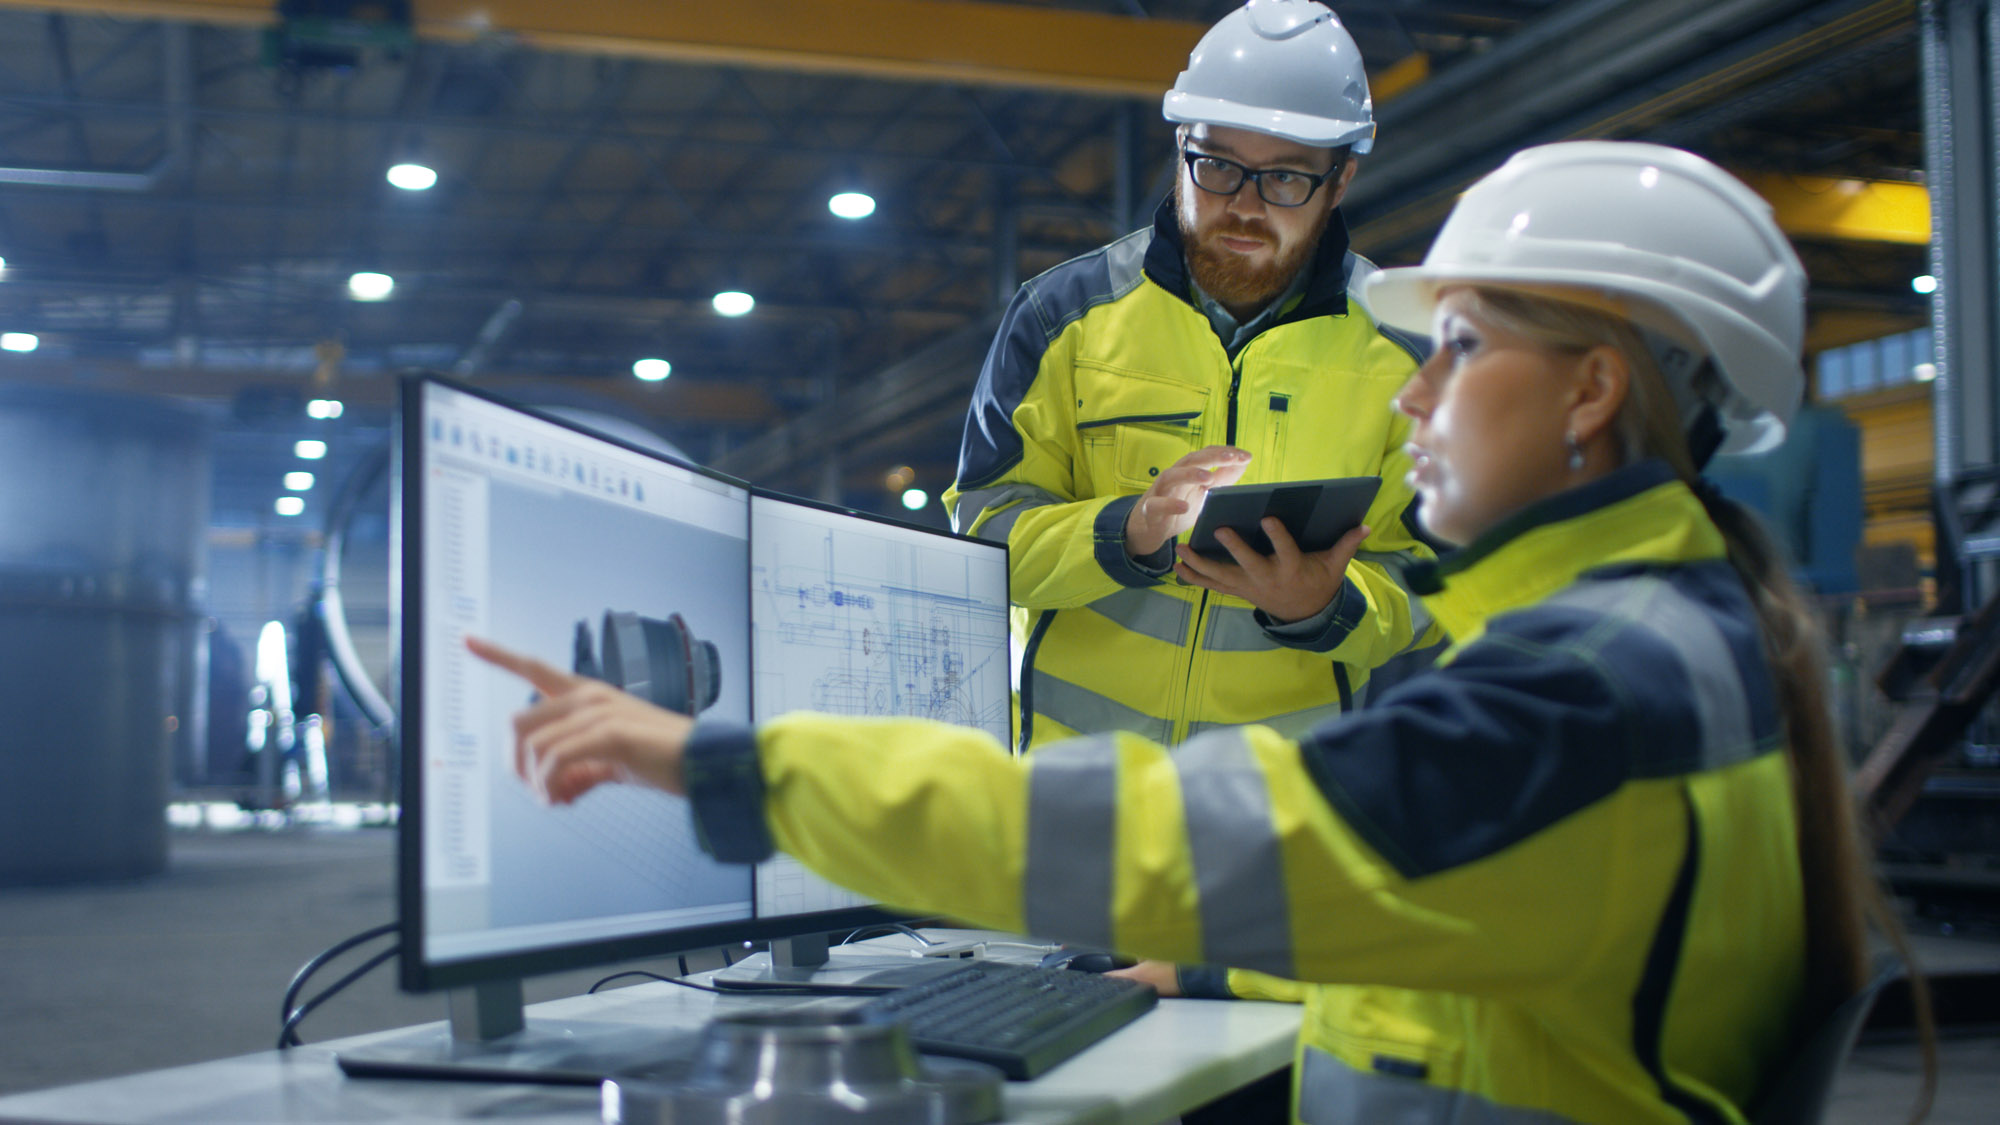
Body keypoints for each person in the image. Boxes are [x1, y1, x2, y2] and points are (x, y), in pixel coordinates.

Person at [470, 141, 1931, 1123]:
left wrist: (735, 770)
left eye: (1464, 348)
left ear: (1595, 392)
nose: (1413, 399)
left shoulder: (1580, 695)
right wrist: (1218, 969)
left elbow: (1182, 833)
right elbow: (1487, 910)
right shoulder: (1660, 637)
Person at [942, 0, 1438, 756]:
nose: (1242, 203)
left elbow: (1433, 578)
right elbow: (980, 535)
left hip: (1275, 811)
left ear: (1340, 181)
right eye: (1217, 166)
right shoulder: (1062, 317)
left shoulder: (1404, 353)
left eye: (1285, 180)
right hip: (1071, 785)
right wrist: (1125, 532)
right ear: (1181, 148)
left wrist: (1327, 603)